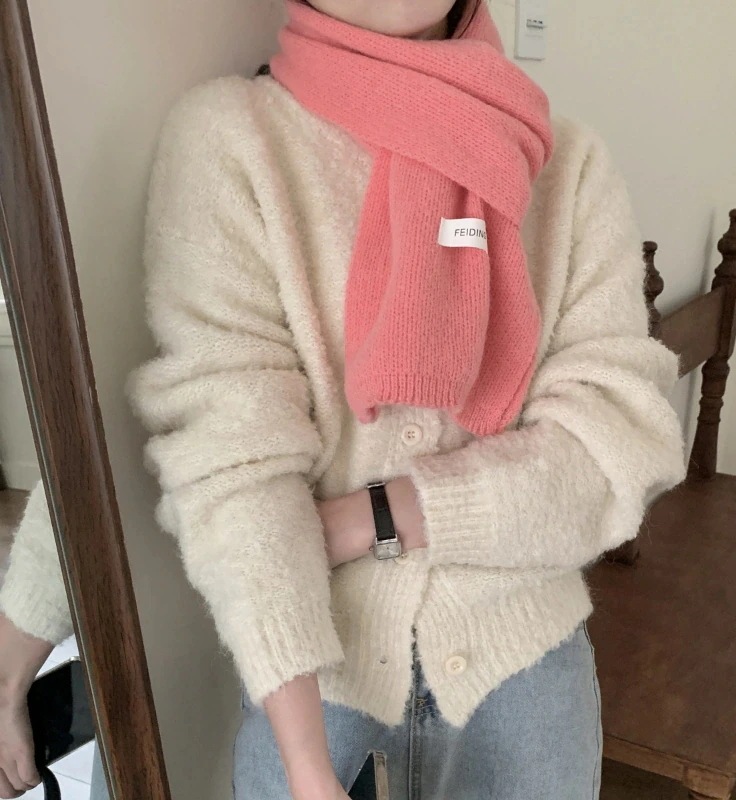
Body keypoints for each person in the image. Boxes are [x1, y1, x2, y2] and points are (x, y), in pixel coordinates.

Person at [0, 1, 687, 798]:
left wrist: (375, 516)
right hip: (313, 688)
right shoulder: (235, 142)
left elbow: (614, 445)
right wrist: (306, 767)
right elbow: (228, 460)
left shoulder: (568, 166)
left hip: (530, 690)